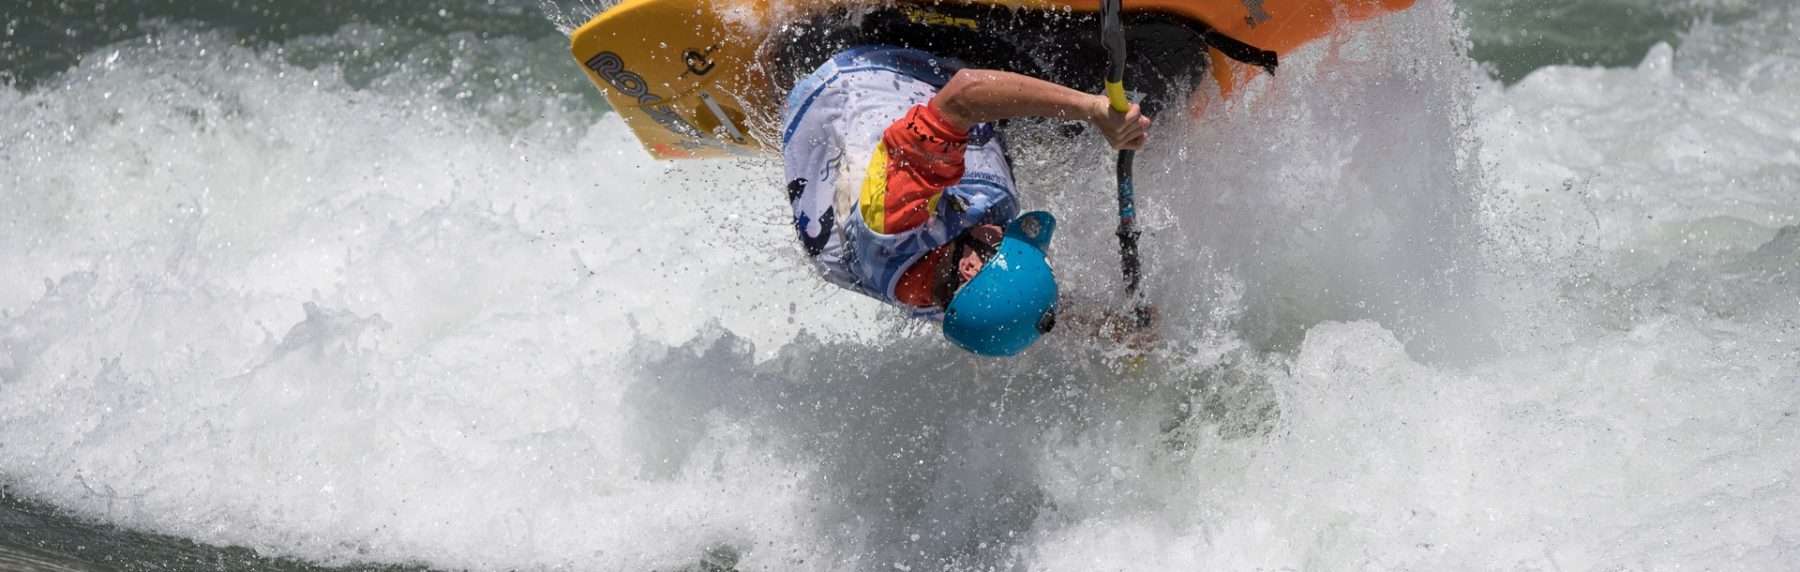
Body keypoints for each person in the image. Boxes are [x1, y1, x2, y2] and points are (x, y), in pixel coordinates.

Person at [782, 45, 1151, 356]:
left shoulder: (898, 219)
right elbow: (1024, 306)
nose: (1002, 231)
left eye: (1002, 243)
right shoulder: (953, 299)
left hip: (875, 67)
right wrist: (1122, 332)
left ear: (970, 267)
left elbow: (964, 94)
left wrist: (1094, 110)